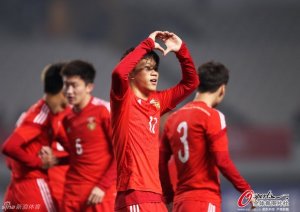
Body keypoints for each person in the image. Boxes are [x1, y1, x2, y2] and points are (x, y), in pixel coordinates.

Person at [110, 31, 199, 212]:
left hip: (154, 195)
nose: (154, 74)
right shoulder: (123, 99)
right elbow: (119, 73)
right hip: (134, 193)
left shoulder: (157, 101)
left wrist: (181, 50)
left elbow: (191, 83)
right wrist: (147, 44)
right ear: (132, 74)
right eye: (147, 68)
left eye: (155, 69)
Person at [159, 61, 254, 212]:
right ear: (222, 89)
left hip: (180, 202)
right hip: (204, 199)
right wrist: (246, 189)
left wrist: (169, 197)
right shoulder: (212, 116)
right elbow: (222, 161)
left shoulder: (173, 119)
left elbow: (161, 163)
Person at [1, 63, 68, 212]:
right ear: (62, 90)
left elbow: (10, 163)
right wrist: (38, 163)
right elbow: (9, 147)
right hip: (32, 188)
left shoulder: (35, 113)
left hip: (15, 188)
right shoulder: (41, 115)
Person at [60, 60, 116, 212]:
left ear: (89, 87)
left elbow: (121, 154)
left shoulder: (103, 112)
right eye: (66, 85)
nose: (69, 91)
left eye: (74, 85)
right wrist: (56, 160)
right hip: (71, 195)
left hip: (98, 195)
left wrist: (102, 187)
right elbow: (79, 154)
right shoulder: (67, 119)